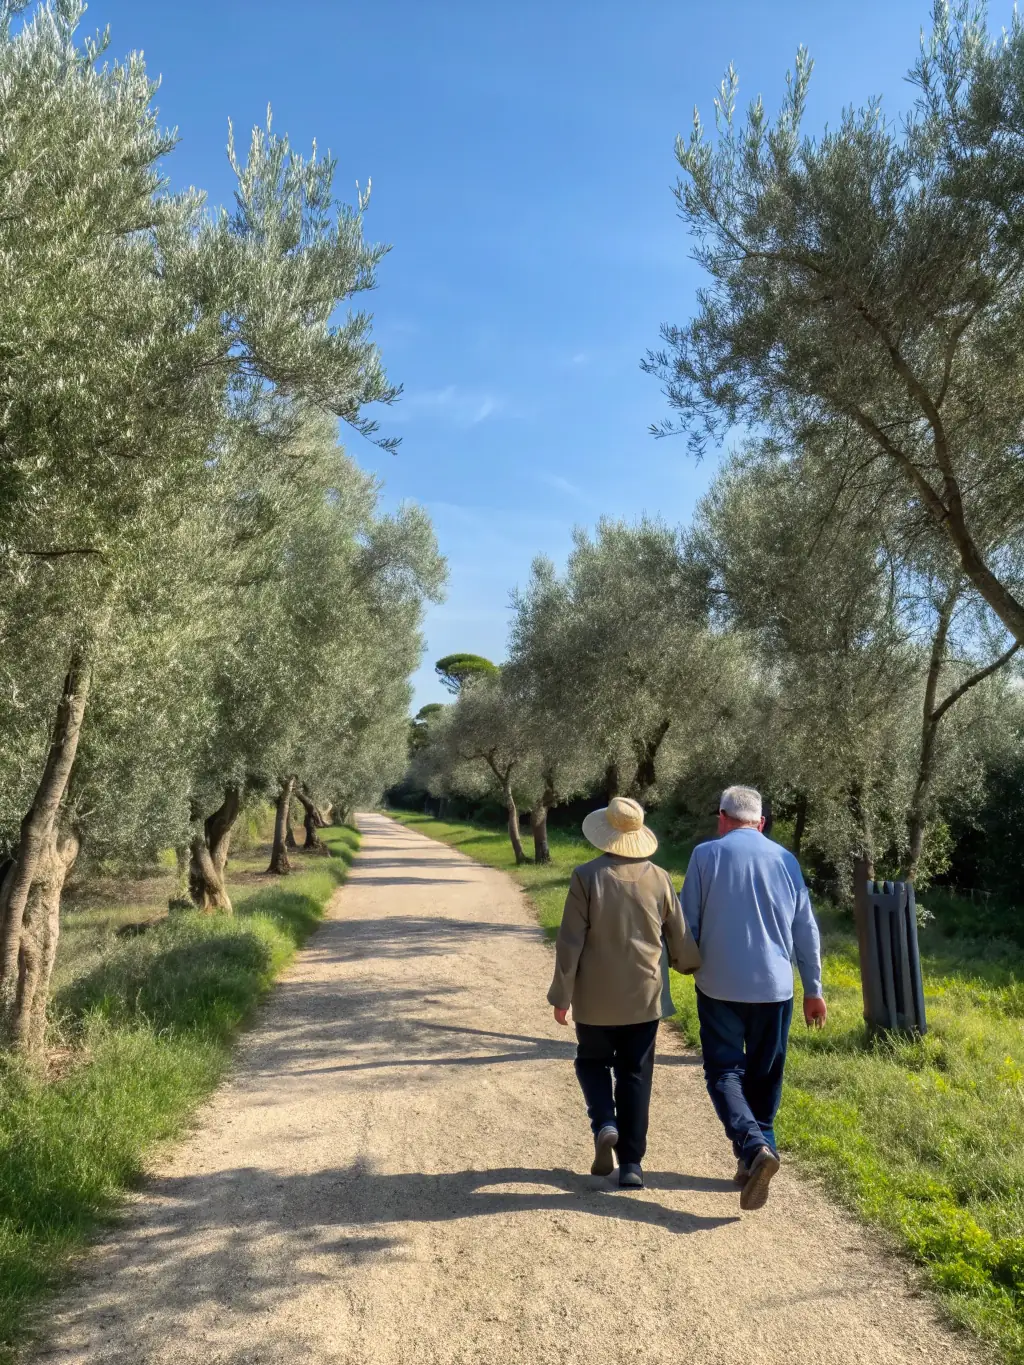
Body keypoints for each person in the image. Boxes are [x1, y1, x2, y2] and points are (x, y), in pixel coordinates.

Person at [681, 784, 826, 1212]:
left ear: (722, 819)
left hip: (719, 986)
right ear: (760, 823)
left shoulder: (705, 856)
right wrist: (814, 990)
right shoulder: (786, 860)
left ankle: (753, 1148)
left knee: (725, 1072)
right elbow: (806, 929)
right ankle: (759, 1153)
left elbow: (688, 922)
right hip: (775, 989)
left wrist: (682, 962)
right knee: (765, 1075)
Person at [548, 796, 700, 1189]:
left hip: (594, 998)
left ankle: (604, 1123)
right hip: (644, 997)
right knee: (635, 1074)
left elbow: (570, 941)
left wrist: (562, 996)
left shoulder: (586, 876)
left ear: (605, 832)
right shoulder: (660, 878)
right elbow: (679, 934)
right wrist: (689, 965)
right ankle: (631, 1164)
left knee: (592, 1062)